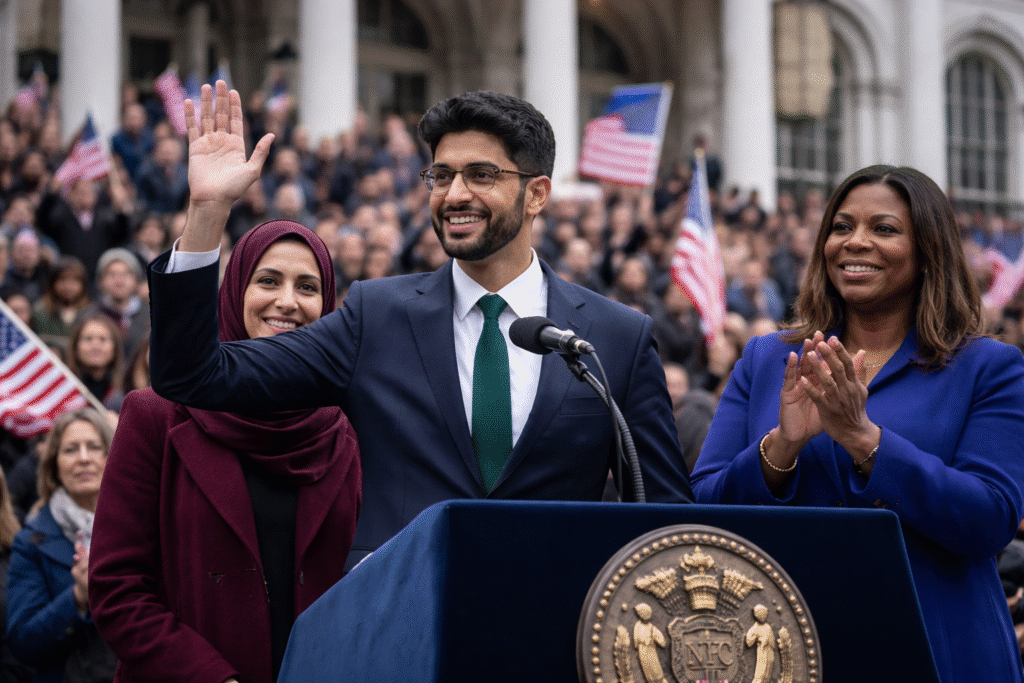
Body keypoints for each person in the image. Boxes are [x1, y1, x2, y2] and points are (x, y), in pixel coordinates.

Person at [147, 82, 692, 571]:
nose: (454, 195)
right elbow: (194, 375)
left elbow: (668, 518)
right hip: (403, 630)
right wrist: (207, 213)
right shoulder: (375, 316)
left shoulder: (616, 337)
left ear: (537, 194)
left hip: (554, 633)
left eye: (482, 175)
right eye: (442, 175)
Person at [690, 165, 1024, 681]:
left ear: (929, 250)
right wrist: (781, 449)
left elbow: (990, 519)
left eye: (884, 229)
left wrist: (864, 440)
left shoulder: (988, 368)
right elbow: (703, 509)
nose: (855, 243)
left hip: (935, 643)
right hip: (783, 648)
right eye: (842, 227)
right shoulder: (767, 359)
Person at [89, 220, 361, 683]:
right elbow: (118, 590)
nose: (288, 301)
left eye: (308, 287)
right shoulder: (157, 417)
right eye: (268, 281)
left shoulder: (350, 430)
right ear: (234, 292)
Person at [7, 408, 117, 683]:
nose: (83, 458)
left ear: (112, 457)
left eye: (94, 447)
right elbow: (23, 644)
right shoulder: (31, 542)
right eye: (70, 449)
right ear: (54, 463)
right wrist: (77, 597)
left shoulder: (143, 526)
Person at [65, 314, 124, 412]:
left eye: (103, 339)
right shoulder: (63, 390)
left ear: (115, 349)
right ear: (75, 348)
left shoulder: (126, 391)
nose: (95, 345)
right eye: (88, 339)